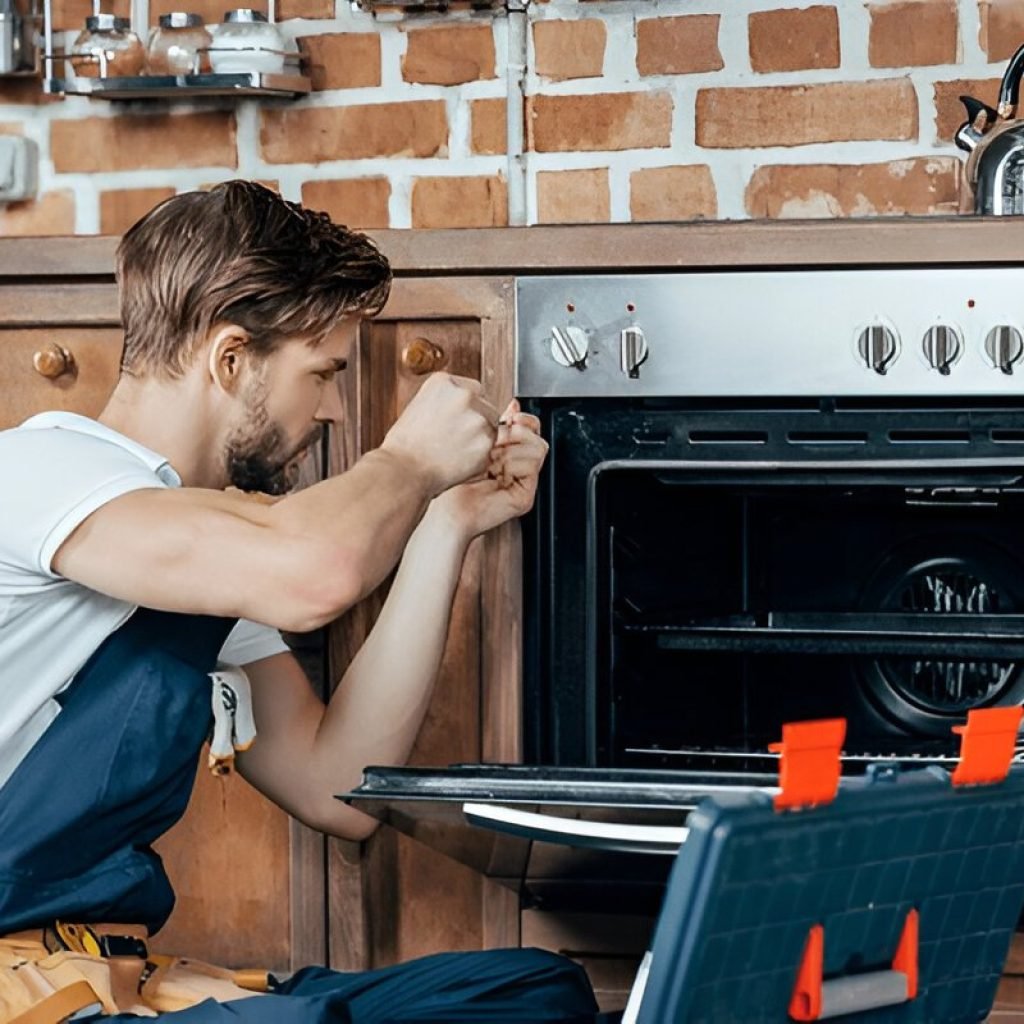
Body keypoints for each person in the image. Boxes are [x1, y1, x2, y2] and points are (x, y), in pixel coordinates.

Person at [0, 181, 599, 1023]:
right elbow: (313, 573)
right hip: (21, 992)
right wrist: (411, 461)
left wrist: (448, 520)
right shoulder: (40, 476)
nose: (331, 409)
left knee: (533, 992)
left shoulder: (208, 552)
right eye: (322, 373)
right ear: (231, 358)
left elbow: (335, 787)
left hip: (101, 978)